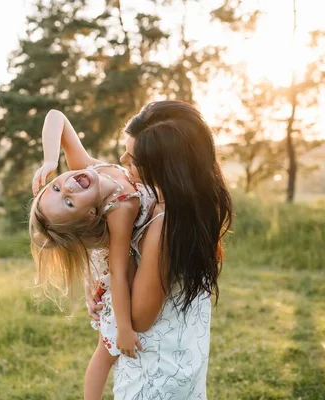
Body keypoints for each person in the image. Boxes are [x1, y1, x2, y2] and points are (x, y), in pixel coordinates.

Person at [86, 101, 233, 399]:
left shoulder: (167, 227)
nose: (123, 157)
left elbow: (139, 319)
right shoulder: (168, 198)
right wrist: (98, 286)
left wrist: (115, 250)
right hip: (179, 358)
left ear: (167, 167)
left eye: (134, 158)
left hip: (155, 378)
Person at [29, 109, 156, 399]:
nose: (70, 186)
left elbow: (56, 116)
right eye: (70, 202)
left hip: (109, 270)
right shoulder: (120, 208)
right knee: (106, 348)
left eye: (58, 186)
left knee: (106, 346)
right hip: (115, 278)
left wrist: (50, 159)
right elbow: (120, 271)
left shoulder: (88, 170)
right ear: (88, 217)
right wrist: (124, 328)